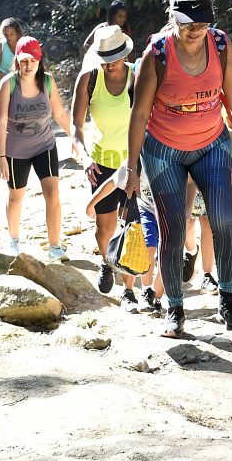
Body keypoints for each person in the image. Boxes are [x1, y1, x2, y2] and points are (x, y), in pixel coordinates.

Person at [124, 0, 232, 337]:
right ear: (173, 19)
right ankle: (174, 308)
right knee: (172, 230)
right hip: (163, 150)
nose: (195, 31)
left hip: (211, 144)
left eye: (201, 23)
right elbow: (139, 114)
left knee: (225, 220)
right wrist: (132, 167)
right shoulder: (157, 53)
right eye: (187, 24)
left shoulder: (220, 44)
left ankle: (228, 300)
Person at [71, 24, 137, 298]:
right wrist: (85, 158)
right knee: (105, 226)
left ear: (124, 55)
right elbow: (76, 126)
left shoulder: (137, 76)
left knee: (132, 226)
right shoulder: (89, 79)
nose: (109, 65)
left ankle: (129, 290)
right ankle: (107, 262)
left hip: (132, 163)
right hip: (101, 162)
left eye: (114, 60)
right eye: (104, 60)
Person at [0, 36, 74, 260]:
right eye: (24, 61)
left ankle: (55, 246)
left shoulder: (47, 81)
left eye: (33, 61)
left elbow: (60, 114)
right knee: (16, 197)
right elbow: (0, 122)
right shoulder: (8, 84)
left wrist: (77, 139)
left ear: (39, 60)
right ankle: (13, 240)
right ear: (17, 60)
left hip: (44, 144)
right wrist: (0, 157)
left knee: (52, 193)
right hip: (15, 149)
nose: (28, 65)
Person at [87, 162, 164, 314]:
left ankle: (157, 298)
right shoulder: (137, 161)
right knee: (144, 246)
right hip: (145, 209)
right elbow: (113, 182)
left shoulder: (172, 157)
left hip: (170, 212)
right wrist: (91, 204)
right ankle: (139, 292)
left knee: (167, 254)